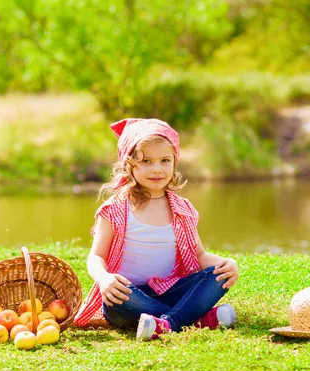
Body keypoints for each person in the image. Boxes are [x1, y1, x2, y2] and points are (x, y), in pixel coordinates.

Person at [73, 118, 239, 340]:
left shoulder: (182, 209)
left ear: (174, 162)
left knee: (216, 277)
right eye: (147, 161)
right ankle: (193, 319)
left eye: (165, 160)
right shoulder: (114, 209)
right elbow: (96, 257)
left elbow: (199, 255)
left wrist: (224, 264)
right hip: (130, 297)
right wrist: (104, 279)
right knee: (118, 300)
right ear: (129, 164)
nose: (157, 169)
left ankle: (167, 323)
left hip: (171, 291)